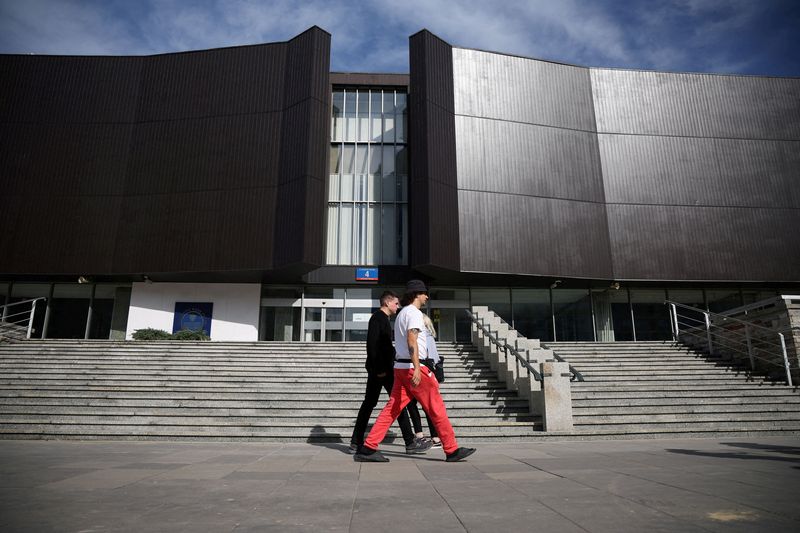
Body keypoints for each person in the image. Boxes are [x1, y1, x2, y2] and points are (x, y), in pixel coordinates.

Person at [355, 280, 475, 462]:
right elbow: (412, 340)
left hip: (400, 368)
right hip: (412, 368)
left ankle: (368, 447)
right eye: (425, 293)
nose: (427, 297)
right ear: (417, 294)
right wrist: (418, 367)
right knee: (437, 408)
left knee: (392, 409)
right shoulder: (414, 314)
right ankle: (451, 450)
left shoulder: (402, 314)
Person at [349, 291, 432, 455]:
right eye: (395, 303)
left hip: (385, 369)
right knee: (389, 404)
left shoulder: (383, 319)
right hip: (381, 371)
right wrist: (379, 370)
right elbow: (372, 346)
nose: (398, 306)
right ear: (387, 303)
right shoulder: (378, 318)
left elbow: (385, 347)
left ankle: (356, 442)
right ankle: (408, 442)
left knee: (390, 404)